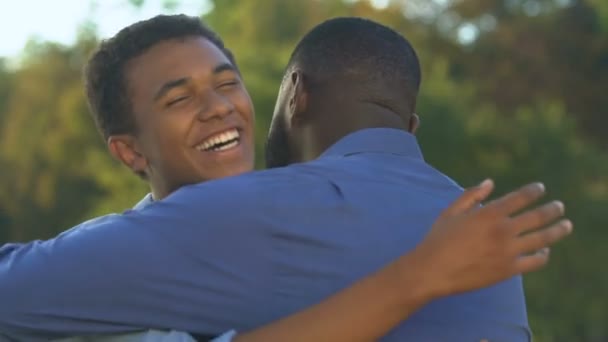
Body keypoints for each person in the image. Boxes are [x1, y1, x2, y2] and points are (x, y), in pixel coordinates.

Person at [0, 16, 571, 342]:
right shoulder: (471, 226)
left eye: (227, 85)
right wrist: (413, 280)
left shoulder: (254, 217)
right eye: (179, 97)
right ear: (127, 151)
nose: (220, 108)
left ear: (293, 95)